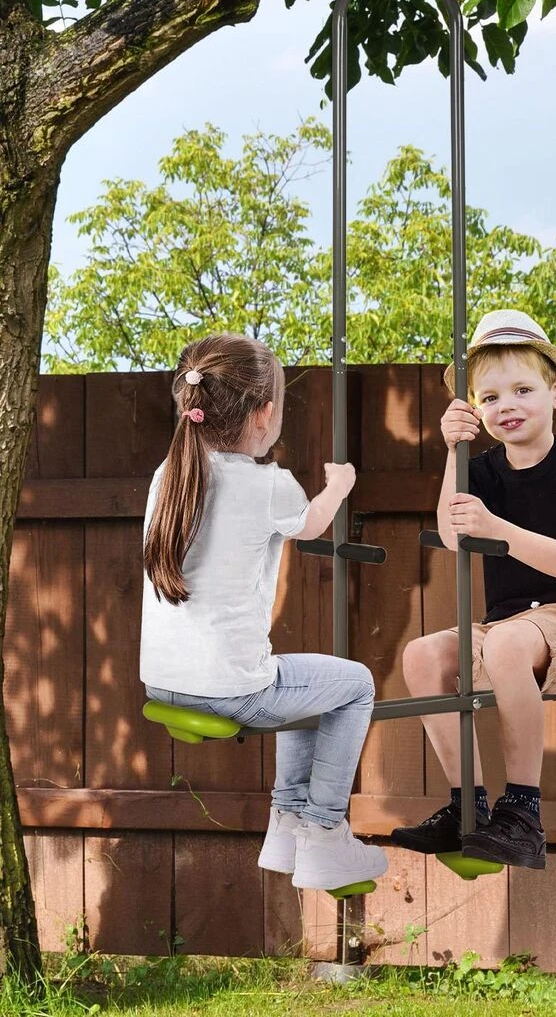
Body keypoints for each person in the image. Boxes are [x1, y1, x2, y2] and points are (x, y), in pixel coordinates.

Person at [139, 333, 387, 891]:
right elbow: (314, 523)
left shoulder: (168, 478)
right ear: (265, 413)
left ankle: (285, 829)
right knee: (355, 686)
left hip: (163, 681)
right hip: (227, 687)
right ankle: (322, 832)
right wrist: (339, 485)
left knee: (302, 685)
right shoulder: (267, 484)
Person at [391, 309, 556, 869]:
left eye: (523, 389)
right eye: (490, 397)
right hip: (509, 629)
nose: (507, 406)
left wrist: (498, 529)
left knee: (504, 644)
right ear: (474, 410)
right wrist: (454, 453)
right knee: (422, 655)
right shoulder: (483, 471)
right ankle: (466, 807)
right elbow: (453, 536)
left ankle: (522, 813)